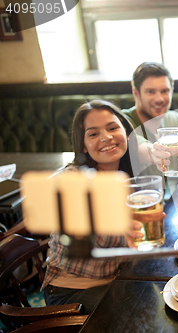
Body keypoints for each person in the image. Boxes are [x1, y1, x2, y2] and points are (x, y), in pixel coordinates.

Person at [42, 100, 145, 314]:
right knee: (139, 313)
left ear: (126, 132)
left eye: (112, 128)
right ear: (83, 145)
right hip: (70, 292)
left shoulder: (127, 176)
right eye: (93, 134)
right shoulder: (76, 176)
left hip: (116, 278)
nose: (106, 137)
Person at [122, 62, 178, 208]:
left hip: (167, 202)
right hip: (135, 206)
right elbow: (139, 145)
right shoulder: (122, 121)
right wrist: (154, 153)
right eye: (150, 92)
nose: (160, 99)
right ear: (136, 93)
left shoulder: (172, 118)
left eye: (165, 91)